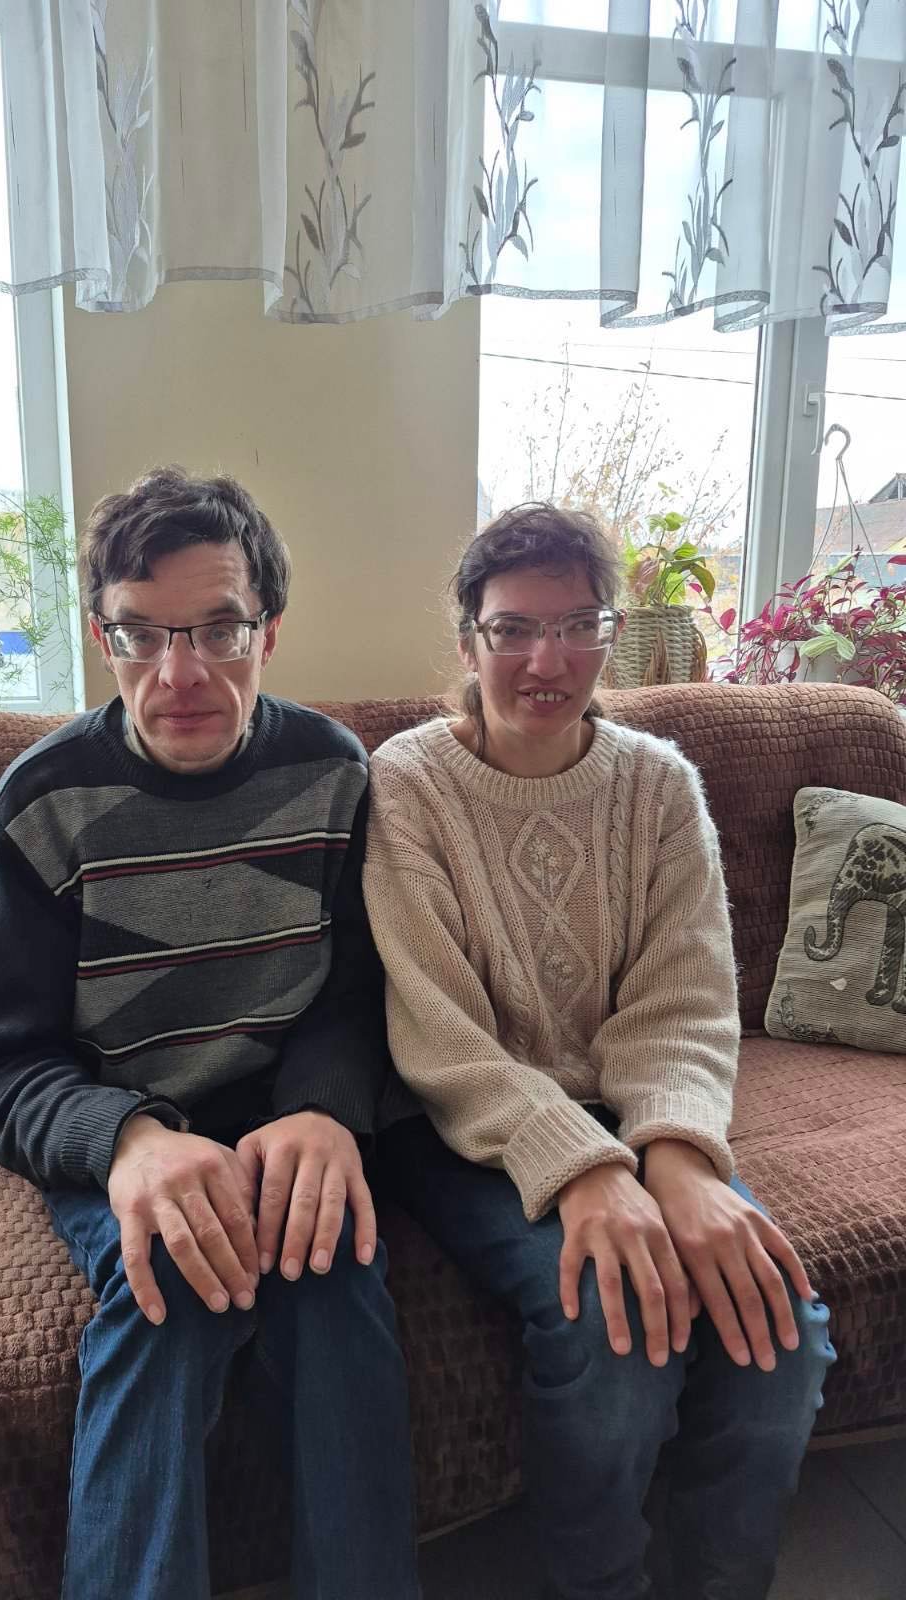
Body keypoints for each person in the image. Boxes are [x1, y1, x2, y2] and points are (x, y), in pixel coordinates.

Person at [0, 466, 419, 1600]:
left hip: (282, 1123)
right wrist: (128, 1142)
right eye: (143, 635)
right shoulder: (40, 802)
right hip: (121, 1131)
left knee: (339, 1279)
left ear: (270, 631)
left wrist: (325, 1110)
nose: (182, 674)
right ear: (100, 636)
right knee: (171, 1282)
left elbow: (359, 993)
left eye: (218, 629)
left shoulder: (336, 775)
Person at [363, 503, 834, 1600]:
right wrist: (582, 1171)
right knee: (614, 1333)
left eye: (579, 625)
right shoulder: (406, 783)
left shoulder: (659, 784)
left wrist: (677, 1160)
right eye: (515, 628)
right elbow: (438, 1032)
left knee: (779, 1338)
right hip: (465, 1127)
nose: (548, 660)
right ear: (468, 638)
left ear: (611, 633)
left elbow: (686, 999)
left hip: (633, 1113)